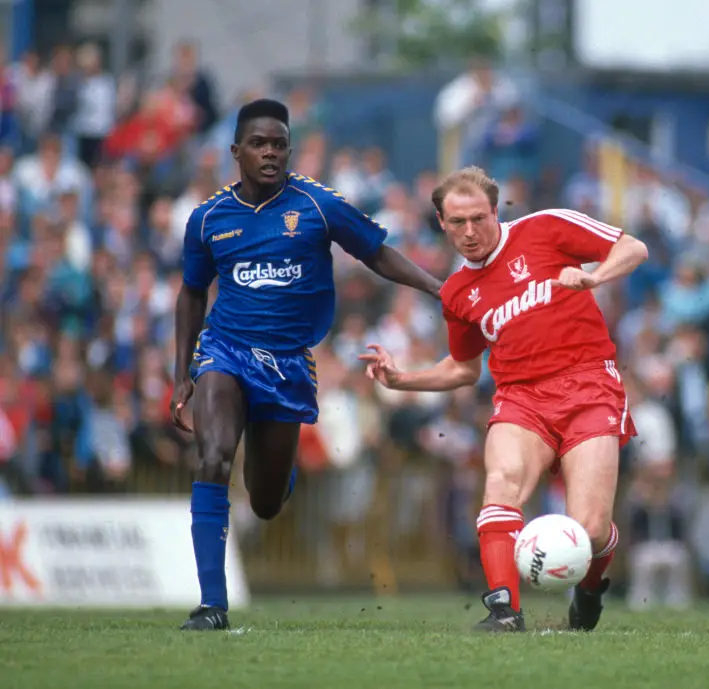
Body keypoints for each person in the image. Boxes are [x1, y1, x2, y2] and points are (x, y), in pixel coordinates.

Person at [172, 99, 442, 631]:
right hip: (223, 350)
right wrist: (182, 372)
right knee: (213, 456)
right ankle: (211, 605)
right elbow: (190, 293)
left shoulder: (318, 205)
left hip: (289, 365)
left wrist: (437, 287)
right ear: (236, 152)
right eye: (258, 144)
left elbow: (376, 252)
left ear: (289, 149)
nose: (270, 153)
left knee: (268, 501)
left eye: (279, 144)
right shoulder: (207, 218)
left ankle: (278, 475)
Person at [360, 166, 649, 632]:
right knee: (500, 484)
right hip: (520, 399)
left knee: (592, 529)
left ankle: (590, 588)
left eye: (478, 218)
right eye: (458, 223)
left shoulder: (546, 227)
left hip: (589, 385)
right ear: (441, 222)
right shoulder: (456, 293)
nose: (470, 231)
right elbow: (464, 368)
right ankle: (504, 610)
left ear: (495, 211)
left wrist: (596, 278)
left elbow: (633, 247)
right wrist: (402, 379)